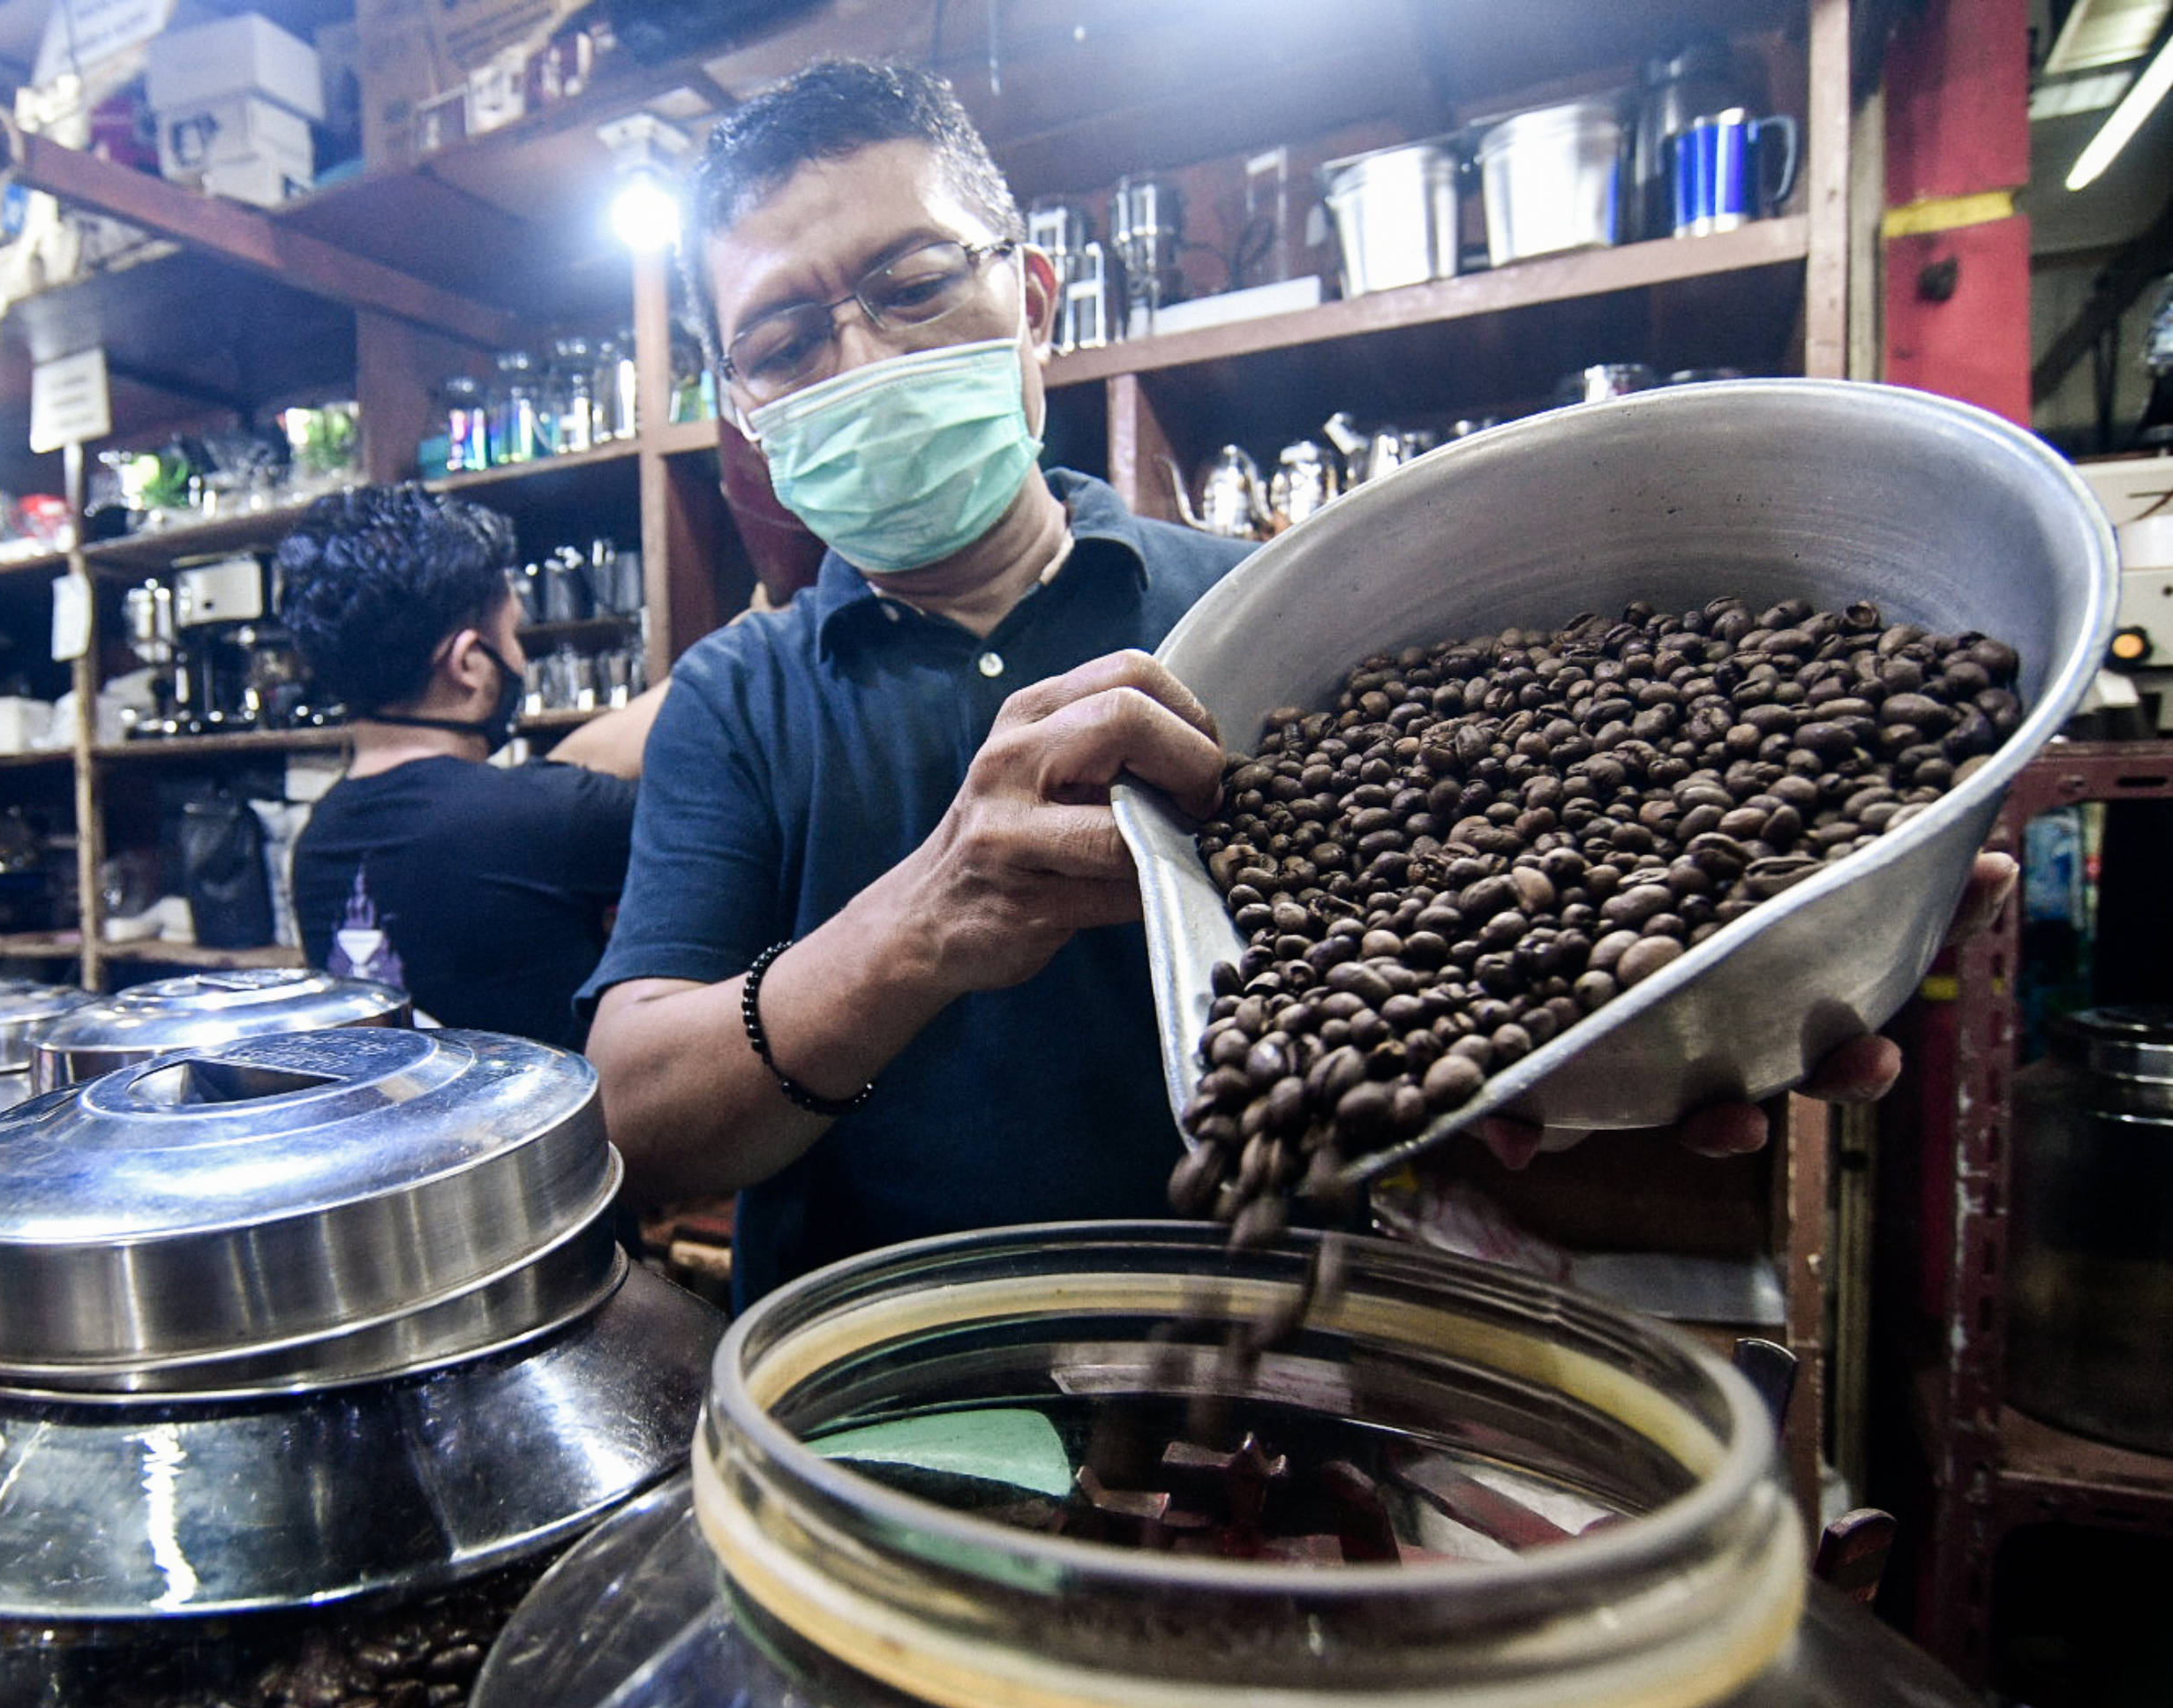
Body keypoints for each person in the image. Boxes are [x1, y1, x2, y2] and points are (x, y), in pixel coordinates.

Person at [583, 59, 2010, 1307]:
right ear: (747, 413)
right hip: (886, 1409)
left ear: (1031, 301)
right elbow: (636, 1124)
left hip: (1272, 1374)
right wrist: (926, 923)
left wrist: (1678, 1012)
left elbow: (1470, 944)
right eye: (783, 343)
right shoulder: (735, 696)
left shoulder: (1267, 612)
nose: (866, 358)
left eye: (909, 287)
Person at [282, 485, 662, 1052]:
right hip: (554, 1137)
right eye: (510, 634)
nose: (519, 657)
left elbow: (549, 781)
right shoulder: (542, 819)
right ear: (468, 664)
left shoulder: (316, 843)